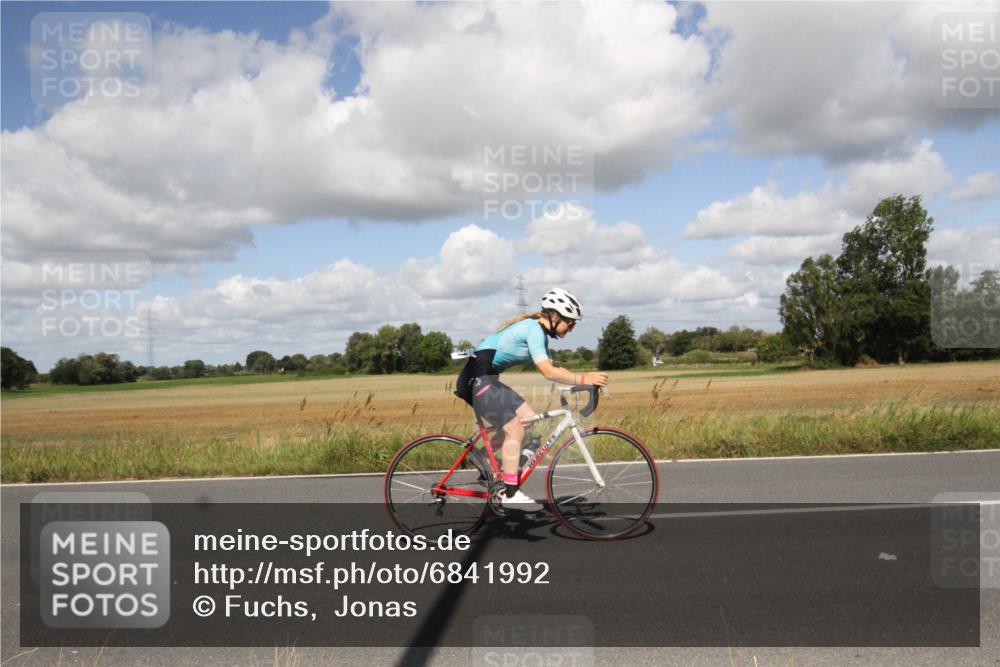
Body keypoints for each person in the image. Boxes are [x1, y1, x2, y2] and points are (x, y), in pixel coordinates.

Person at [455, 288, 608, 511]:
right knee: (515, 428)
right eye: (571, 322)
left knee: (528, 417)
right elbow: (547, 372)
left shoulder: (538, 334)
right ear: (555, 316)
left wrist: (581, 382)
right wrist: (586, 377)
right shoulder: (533, 329)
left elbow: (554, 367)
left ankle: (483, 459)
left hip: (485, 378)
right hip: (475, 379)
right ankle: (510, 493)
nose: (572, 328)